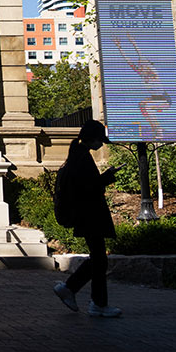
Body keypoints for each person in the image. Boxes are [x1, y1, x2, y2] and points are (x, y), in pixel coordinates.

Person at [52, 119, 122, 317]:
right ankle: (94, 302)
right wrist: (107, 178)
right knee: (99, 259)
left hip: (86, 215)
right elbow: (88, 188)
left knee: (98, 259)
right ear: (93, 138)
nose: (101, 144)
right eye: (100, 140)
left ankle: (75, 291)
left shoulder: (77, 155)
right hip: (90, 214)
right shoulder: (82, 159)